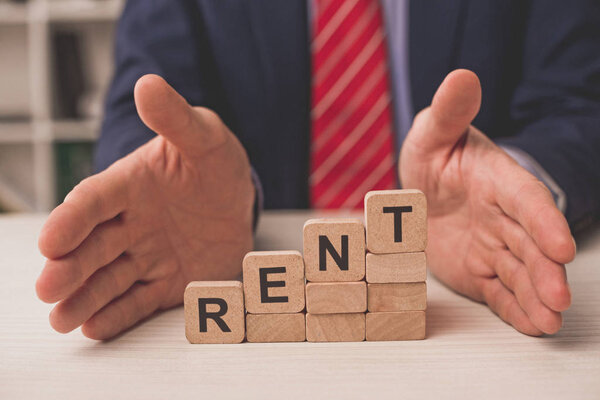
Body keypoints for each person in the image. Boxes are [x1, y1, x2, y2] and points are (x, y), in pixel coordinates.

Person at [35, 0, 600, 340]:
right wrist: (168, 173)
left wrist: (518, 176)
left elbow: (580, 100)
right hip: (256, 271)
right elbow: (141, 105)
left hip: (466, 287)